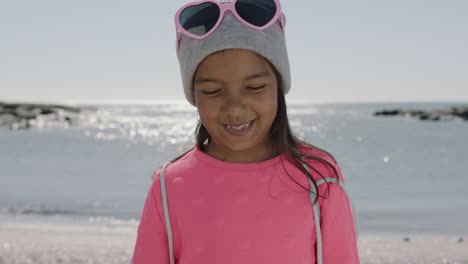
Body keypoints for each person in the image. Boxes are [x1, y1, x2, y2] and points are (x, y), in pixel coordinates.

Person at [131, 0, 360, 263]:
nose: (235, 108)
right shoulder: (167, 186)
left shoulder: (319, 178)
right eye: (213, 91)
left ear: (278, 86)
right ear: (194, 95)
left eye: (254, 87)